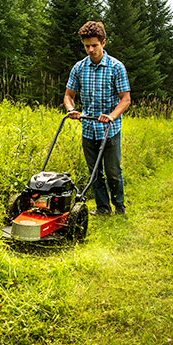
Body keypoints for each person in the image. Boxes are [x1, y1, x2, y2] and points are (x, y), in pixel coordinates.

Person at [64, 21, 131, 215]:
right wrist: (71, 110)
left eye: (94, 45)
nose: (90, 49)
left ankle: (119, 206)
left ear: (103, 42)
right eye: (87, 46)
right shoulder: (79, 68)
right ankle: (102, 208)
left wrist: (111, 116)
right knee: (94, 173)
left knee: (112, 171)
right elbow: (69, 95)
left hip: (110, 129)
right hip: (88, 128)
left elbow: (125, 99)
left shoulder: (116, 67)